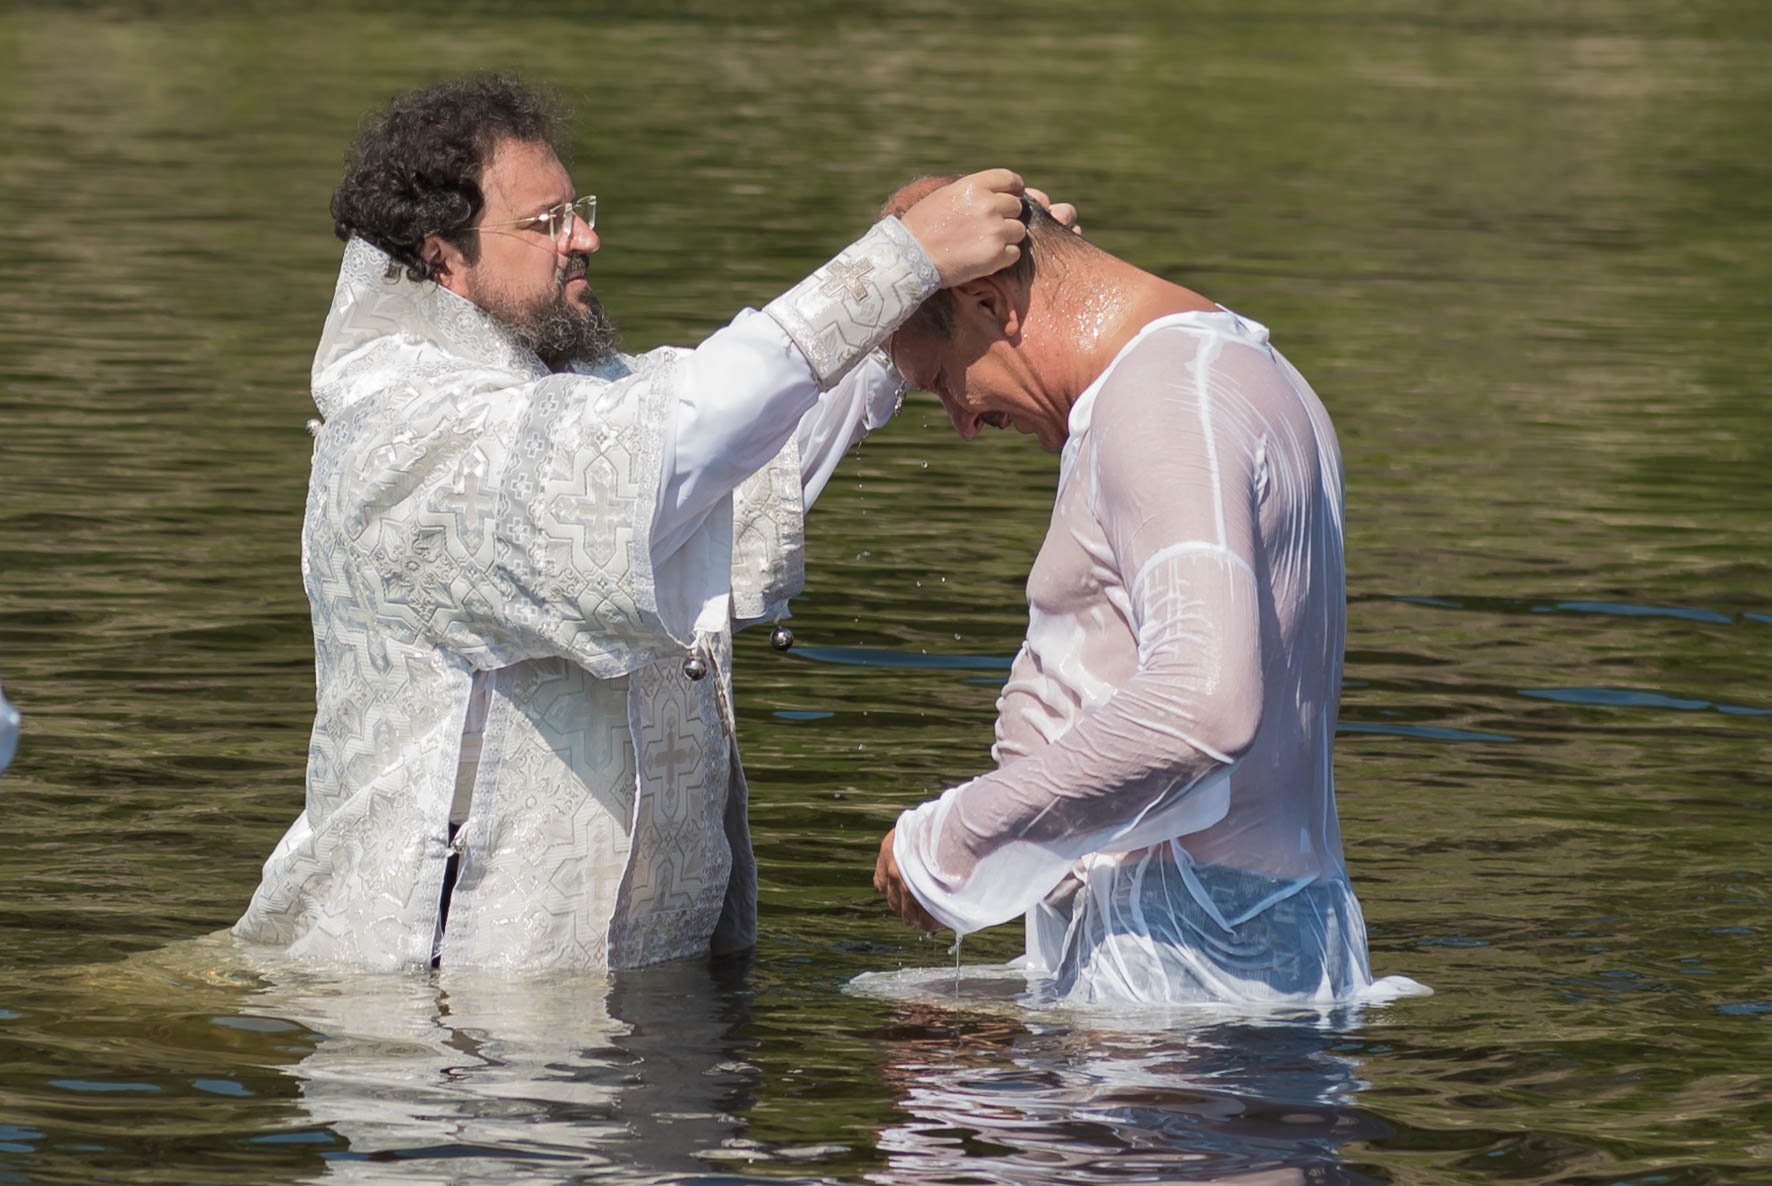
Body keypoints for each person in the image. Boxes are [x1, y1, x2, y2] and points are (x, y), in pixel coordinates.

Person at [232, 77, 1038, 971]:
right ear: (441, 260)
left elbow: (735, 448)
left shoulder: (576, 395)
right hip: (442, 1023)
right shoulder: (406, 431)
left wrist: (918, 293)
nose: (586, 239)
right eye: (547, 224)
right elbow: (676, 442)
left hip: (628, 1008)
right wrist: (899, 262)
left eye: (578, 209)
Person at [872, 179, 1423, 1006]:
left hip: (1182, 1001)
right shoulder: (1230, 368)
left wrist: (951, 840)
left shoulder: (1166, 400)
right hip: (1234, 969)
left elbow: (1204, 706)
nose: (961, 420)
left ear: (991, 301)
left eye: (944, 379)